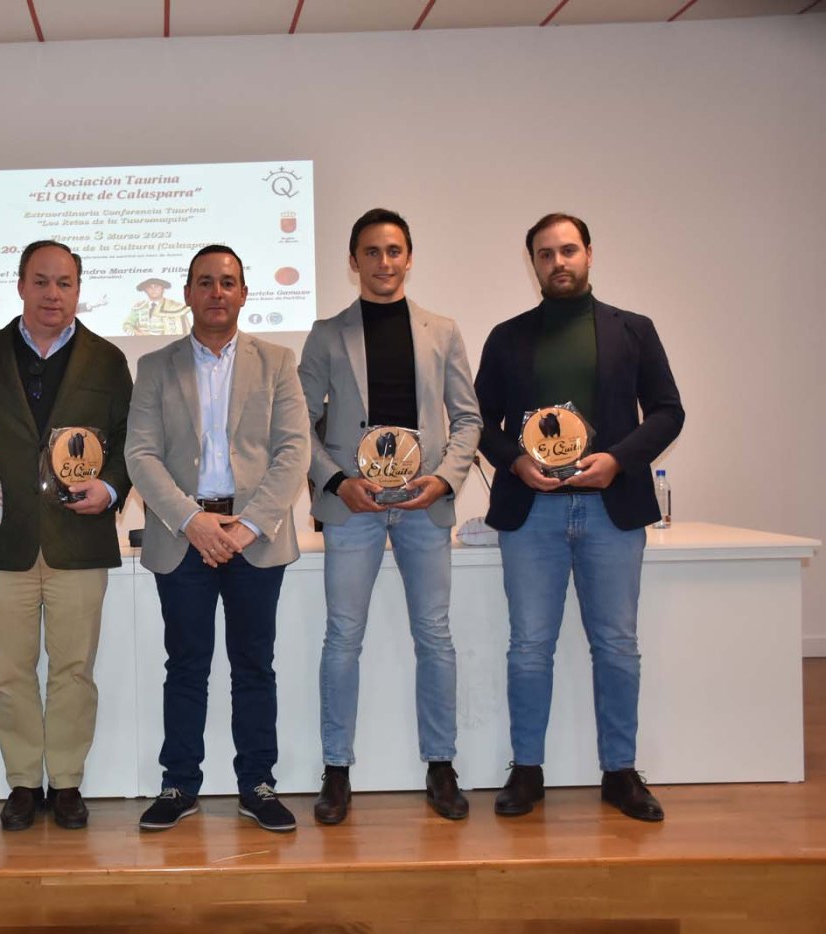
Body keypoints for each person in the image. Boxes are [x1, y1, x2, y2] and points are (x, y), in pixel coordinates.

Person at [474, 213, 684, 822]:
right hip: (531, 514)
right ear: (533, 264)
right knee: (528, 647)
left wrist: (618, 460)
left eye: (568, 250)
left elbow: (668, 412)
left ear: (589, 253)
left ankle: (620, 772)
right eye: (545, 254)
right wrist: (515, 462)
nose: (558, 262)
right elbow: (478, 420)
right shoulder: (506, 337)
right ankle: (527, 771)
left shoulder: (634, 330)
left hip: (612, 512)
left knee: (616, 646)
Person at [0, 240, 133, 830]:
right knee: (11, 671)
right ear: (21, 285)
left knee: (74, 669)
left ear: (79, 289)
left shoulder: (107, 360)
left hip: (81, 539)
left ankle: (67, 782)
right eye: (42, 281)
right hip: (3, 540)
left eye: (65, 283)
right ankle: (24, 782)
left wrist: (112, 488)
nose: (53, 294)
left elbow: (130, 441)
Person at [299, 209, 481, 825]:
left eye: (394, 250)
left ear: (409, 257)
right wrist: (337, 482)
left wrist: (445, 479)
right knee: (343, 637)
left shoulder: (442, 331)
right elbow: (298, 423)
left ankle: (441, 764)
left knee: (435, 636)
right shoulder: (327, 334)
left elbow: (468, 418)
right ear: (353, 261)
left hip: (424, 504)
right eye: (372, 252)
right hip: (354, 507)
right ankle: (336, 769)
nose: (384, 262)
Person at [126, 245, 309, 833]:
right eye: (204, 282)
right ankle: (179, 784)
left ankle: (257, 784)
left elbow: (293, 450)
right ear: (187, 293)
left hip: (256, 537)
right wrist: (193, 521)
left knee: (254, 665)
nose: (216, 292)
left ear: (244, 293)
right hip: (184, 537)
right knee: (186, 666)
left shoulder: (277, 361)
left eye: (228, 282)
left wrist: (248, 526)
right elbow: (141, 454)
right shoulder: (155, 366)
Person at [122, 277, 191, 336]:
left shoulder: (175, 307)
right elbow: (127, 325)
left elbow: (184, 331)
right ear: (145, 290)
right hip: (141, 344)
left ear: (162, 289)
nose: (153, 289)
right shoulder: (139, 307)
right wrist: (137, 334)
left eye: (157, 287)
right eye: (149, 287)